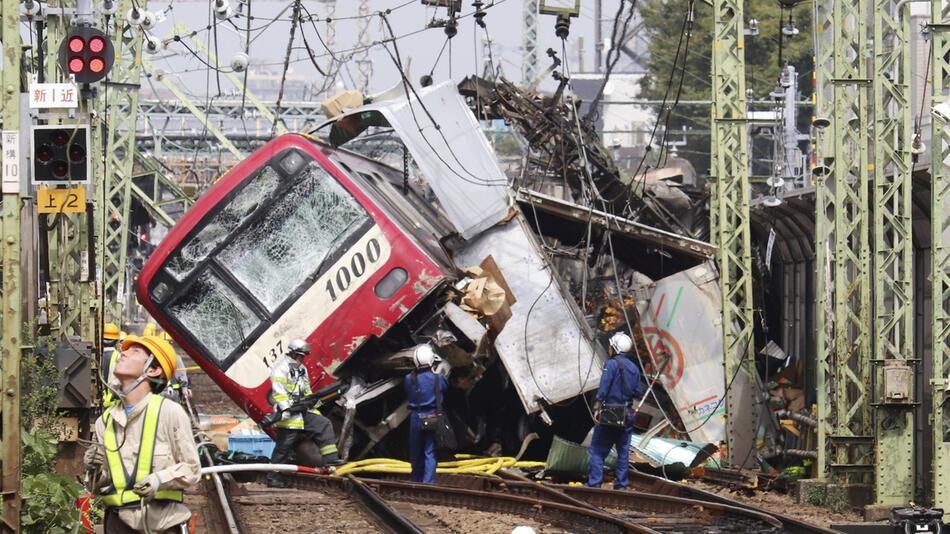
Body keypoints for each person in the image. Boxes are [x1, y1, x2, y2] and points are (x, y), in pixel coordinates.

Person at [83, 335, 201, 533]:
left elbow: (192, 469)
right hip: (117, 525)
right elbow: (99, 486)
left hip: (161, 525)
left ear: (153, 370)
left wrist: (159, 479)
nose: (123, 352)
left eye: (135, 351)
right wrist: (93, 470)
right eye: (126, 350)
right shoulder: (106, 422)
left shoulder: (169, 413)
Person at [266, 338, 340, 488]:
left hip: (302, 412)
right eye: (300, 356)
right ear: (293, 353)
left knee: (323, 424)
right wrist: (287, 409)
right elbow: (279, 393)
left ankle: (331, 461)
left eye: (303, 356)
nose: (302, 359)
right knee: (284, 447)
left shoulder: (301, 369)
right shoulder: (280, 369)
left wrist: (312, 407)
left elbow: (307, 392)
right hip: (287, 415)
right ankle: (273, 476)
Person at [587, 331, 644, 490]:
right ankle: (621, 485)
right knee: (623, 452)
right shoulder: (634, 367)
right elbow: (638, 392)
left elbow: (604, 387)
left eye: (610, 346)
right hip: (627, 414)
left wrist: (597, 406)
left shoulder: (611, 364)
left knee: (597, 450)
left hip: (610, 413)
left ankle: (594, 483)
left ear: (615, 348)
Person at [404, 344, 447, 484]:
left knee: (415, 451)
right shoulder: (438, 378)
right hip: (431, 416)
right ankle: (428, 483)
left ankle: (415, 481)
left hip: (415, 417)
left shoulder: (408, 379)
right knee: (430, 451)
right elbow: (444, 388)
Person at [100, 323, 122, 408]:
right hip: (113, 403)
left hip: (97, 400)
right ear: (116, 341)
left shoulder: (96, 355)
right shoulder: (119, 357)